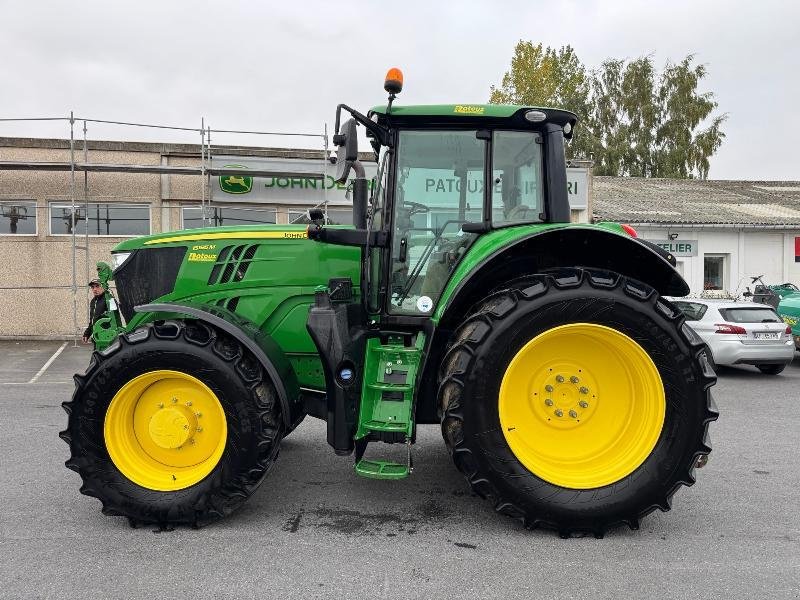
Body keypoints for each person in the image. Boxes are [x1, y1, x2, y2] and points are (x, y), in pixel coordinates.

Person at [82, 279, 108, 345]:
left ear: (103, 287)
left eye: (97, 286)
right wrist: (87, 334)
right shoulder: (93, 301)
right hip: (97, 337)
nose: (95, 289)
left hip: (107, 337)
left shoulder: (109, 300)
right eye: (93, 287)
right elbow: (93, 320)